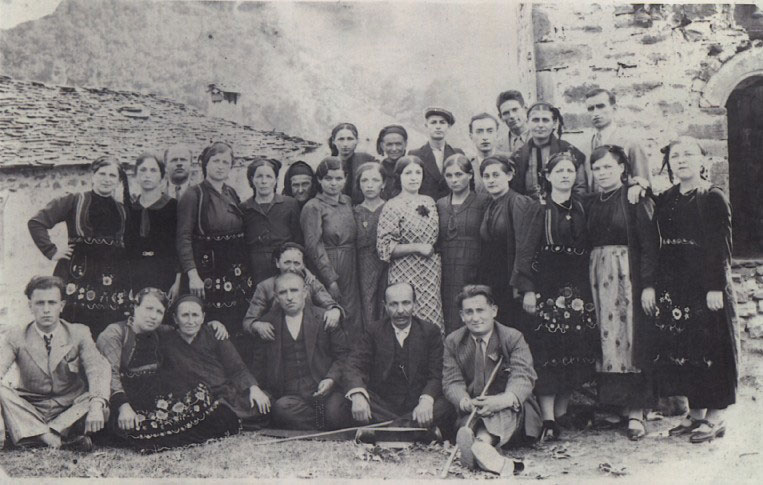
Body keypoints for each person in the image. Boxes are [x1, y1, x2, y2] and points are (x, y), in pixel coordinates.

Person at [651, 137, 738, 443]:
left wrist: (716, 286)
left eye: (688, 154)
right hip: (677, 288)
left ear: (702, 160)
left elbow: (721, 246)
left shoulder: (712, 197)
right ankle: (695, 415)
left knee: (713, 351)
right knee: (688, 352)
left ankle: (715, 418)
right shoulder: (668, 198)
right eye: (675, 156)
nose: (681, 160)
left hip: (707, 287)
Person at [515, 153, 599, 442]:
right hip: (547, 288)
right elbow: (525, 251)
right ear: (548, 176)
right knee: (548, 350)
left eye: (570, 171)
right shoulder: (538, 209)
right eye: (559, 171)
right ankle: (548, 418)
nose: (565, 175)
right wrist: (528, 289)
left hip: (578, 289)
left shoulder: (583, 207)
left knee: (574, 349)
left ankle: (562, 413)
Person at [96, 288, 240, 452]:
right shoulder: (114, 334)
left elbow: (188, 328)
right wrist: (123, 407)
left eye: (159, 312)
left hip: (155, 396)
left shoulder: (161, 332)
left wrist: (213, 325)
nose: (153, 316)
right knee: (144, 429)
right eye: (148, 309)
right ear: (135, 307)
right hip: (123, 399)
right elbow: (108, 376)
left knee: (211, 407)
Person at [586, 145, 659, 441]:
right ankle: (614, 406)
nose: (602, 173)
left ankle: (636, 412)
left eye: (608, 167)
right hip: (597, 278)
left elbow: (650, 244)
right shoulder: (591, 202)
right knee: (606, 340)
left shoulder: (634, 198)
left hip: (628, 278)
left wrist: (648, 284)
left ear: (622, 168)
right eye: (597, 168)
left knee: (630, 339)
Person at [0, 276, 110, 451]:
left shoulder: (79, 332)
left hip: (69, 407)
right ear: (30, 306)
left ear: (62, 305)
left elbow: (97, 368)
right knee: (3, 392)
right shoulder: (16, 335)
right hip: (31, 407)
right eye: (39, 303)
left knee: (100, 403)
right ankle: (52, 438)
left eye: (52, 303)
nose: (46, 310)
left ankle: (33, 434)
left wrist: (96, 405)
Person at [443, 285, 540, 476]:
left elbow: (523, 376)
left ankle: (481, 445)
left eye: (480, 310)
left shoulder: (512, 337)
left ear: (493, 311)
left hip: (511, 411)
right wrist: (465, 401)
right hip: (474, 410)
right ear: (462, 316)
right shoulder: (453, 342)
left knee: (503, 410)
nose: (475, 317)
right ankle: (484, 450)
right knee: (471, 420)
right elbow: (451, 381)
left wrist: (501, 401)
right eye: (469, 312)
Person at [28, 157, 130, 338]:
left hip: (111, 279)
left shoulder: (123, 210)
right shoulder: (74, 201)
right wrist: (51, 251)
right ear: (93, 176)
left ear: (118, 180)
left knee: (107, 330)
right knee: (71, 330)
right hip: (77, 275)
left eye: (112, 175)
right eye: (102, 174)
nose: (107, 179)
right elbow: (37, 222)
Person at [343, 282, 455, 438]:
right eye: (393, 304)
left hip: (417, 405)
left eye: (406, 303)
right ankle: (413, 430)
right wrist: (358, 395)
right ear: (385, 306)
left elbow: (436, 374)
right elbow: (354, 364)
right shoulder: (373, 331)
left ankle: (384, 430)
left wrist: (426, 401)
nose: (400, 310)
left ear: (415, 304)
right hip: (382, 405)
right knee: (347, 400)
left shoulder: (430, 332)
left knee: (447, 404)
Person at [251, 272, 351, 430]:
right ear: (276, 297)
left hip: (326, 391)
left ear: (304, 292)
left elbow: (344, 356)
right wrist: (256, 389)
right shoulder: (267, 324)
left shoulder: (324, 318)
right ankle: (321, 421)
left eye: (294, 290)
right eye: (283, 292)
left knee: (335, 412)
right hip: (292, 397)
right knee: (281, 410)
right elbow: (259, 365)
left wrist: (331, 379)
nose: (289, 297)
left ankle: (325, 419)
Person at [176, 142, 253, 337]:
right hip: (207, 269)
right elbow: (183, 238)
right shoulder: (194, 194)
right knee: (210, 326)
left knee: (234, 322)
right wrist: (193, 275)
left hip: (233, 269)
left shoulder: (231, 192)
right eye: (215, 161)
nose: (220, 166)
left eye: (225, 162)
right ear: (205, 164)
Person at [160, 295, 271, 429]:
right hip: (191, 399)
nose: (190, 321)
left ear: (203, 317)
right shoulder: (167, 339)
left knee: (263, 404)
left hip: (223, 395)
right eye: (185, 315)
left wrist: (254, 388)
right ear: (175, 318)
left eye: (195, 315)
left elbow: (237, 367)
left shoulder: (215, 334)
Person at [377, 155, 444, 331]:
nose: (414, 178)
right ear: (399, 176)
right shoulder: (392, 206)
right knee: (406, 316)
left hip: (430, 272)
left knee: (431, 319)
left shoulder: (429, 202)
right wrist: (417, 248)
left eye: (418, 173)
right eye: (408, 173)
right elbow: (384, 248)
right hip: (405, 271)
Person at [300, 156, 362, 337]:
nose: (334, 183)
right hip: (329, 263)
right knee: (333, 307)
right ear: (319, 180)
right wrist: (330, 279)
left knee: (353, 310)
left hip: (351, 263)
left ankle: (354, 350)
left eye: (338, 178)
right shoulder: (313, 207)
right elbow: (313, 246)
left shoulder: (347, 201)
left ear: (346, 179)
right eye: (328, 178)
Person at [478, 155, 537, 327]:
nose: (491, 180)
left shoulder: (518, 202)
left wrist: (527, 288)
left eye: (496, 175)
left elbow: (525, 247)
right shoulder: (490, 204)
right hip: (494, 279)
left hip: (512, 281)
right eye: (486, 176)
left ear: (509, 176)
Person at [242, 242, 343, 341]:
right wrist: (257, 325)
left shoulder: (311, 283)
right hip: (278, 341)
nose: (292, 268)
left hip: (309, 338)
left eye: (297, 263)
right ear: (277, 263)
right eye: (287, 262)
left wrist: (335, 310)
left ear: (303, 265)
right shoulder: (265, 287)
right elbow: (248, 322)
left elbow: (329, 303)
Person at [437, 154, 490, 334]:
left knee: (472, 311)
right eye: (449, 175)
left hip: (474, 267)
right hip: (446, 267)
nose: (454, 180)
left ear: (470, 175)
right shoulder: (440, 204)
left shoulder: (483, 201)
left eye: (459, 174)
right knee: (448, 311)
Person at [125, 153, 181, 301]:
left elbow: (182, 245)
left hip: (167, 277)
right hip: (137, 279)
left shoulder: (174, 207)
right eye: (143, 170)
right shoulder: (130, 210)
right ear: (136, 176)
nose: (147, 175)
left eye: (153, 170)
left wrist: (178, 281)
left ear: (162, 177)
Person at [240, 158, 303, 286]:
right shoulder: (244, 208)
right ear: (252, 180)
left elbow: (298, 239)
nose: (264, 181)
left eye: (269, 176)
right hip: (255, 268)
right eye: (259, 176)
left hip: (284, 265)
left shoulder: (290, 204)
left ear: (275, 180)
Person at [510, 102, 588, 201]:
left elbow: (580, 189)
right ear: (528, 122)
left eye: (545, 120)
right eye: (535, 120)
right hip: (527, 208)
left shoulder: (569, 151)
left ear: (554, 124)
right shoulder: (519, 155)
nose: (540, 125)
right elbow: (514, 191)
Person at [585, 88, 651, 192]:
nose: (595, 113)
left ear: (614, 108)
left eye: (601, 106)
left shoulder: (631, 141)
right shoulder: (587, 145)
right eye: (591, 109)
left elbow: (643, 182)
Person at [353, 162, 388, 328]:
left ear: (383, 183)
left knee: (387, 302)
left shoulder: (390, 207)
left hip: (388, 264)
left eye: (375, 180)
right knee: (367, 305)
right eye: (364, 180)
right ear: (359, 185)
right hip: (363, 266)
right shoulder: (355, 211)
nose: (369, 185)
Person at [409, 107, 464, 201]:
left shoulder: (457, 154)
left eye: (442, 122)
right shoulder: (415, 155)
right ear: (426, 125)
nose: (438, 126)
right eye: (433, 122)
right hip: (424, 207)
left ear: (449, 126)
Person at [328, 122, 377, 204]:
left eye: (350, 139)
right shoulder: (328, 164)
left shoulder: (367, 160)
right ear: (334, 141)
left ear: (357, 140)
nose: (345, 144)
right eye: (341, 139)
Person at [467, 113, 508, 194]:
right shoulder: (468, 165)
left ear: (497, 134)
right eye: (479, 132)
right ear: (471, 136)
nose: (485, 137)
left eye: (490, 131)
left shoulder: (509, 161)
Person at [375, 124, 408, 200]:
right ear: (382, 145)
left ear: (405, 144)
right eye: (389, 144)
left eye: (398, 144)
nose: (394, 149)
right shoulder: (378, 169)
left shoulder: (412, 167)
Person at [495, 90, 530, 155]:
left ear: (525, 109)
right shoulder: (497, 146)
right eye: (506, 113)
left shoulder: (541, 138)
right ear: (501, 117)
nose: (511, 116)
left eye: (515, 110)